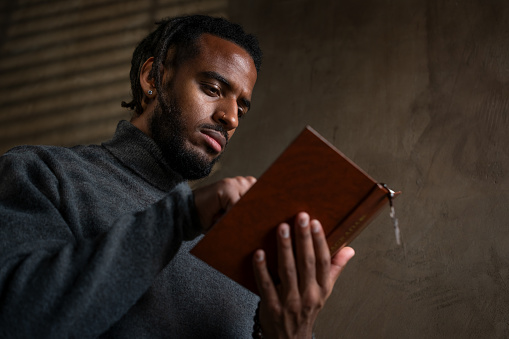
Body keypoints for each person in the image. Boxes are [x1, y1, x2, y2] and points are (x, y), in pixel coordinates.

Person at [0, 15, 355, 338]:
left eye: (241, 110)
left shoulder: (237, 248)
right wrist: (183, 216)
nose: (230, 118)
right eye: (213, 89)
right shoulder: (42, 172)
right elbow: (17, 318)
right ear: (153, 77)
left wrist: (290, 332)